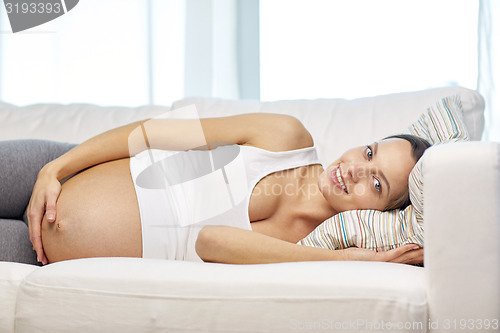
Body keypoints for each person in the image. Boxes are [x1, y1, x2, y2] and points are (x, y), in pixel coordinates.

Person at [25, 113, 428, 265]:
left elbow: (210, 242)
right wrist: (54, 168)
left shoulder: (306, 249)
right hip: (59, 172)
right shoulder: (286, 137)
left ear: (382, 215)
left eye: (376, 183)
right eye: (370, 151)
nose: (355, 168)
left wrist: (350, 260)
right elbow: (152, 131)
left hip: (39, 254)